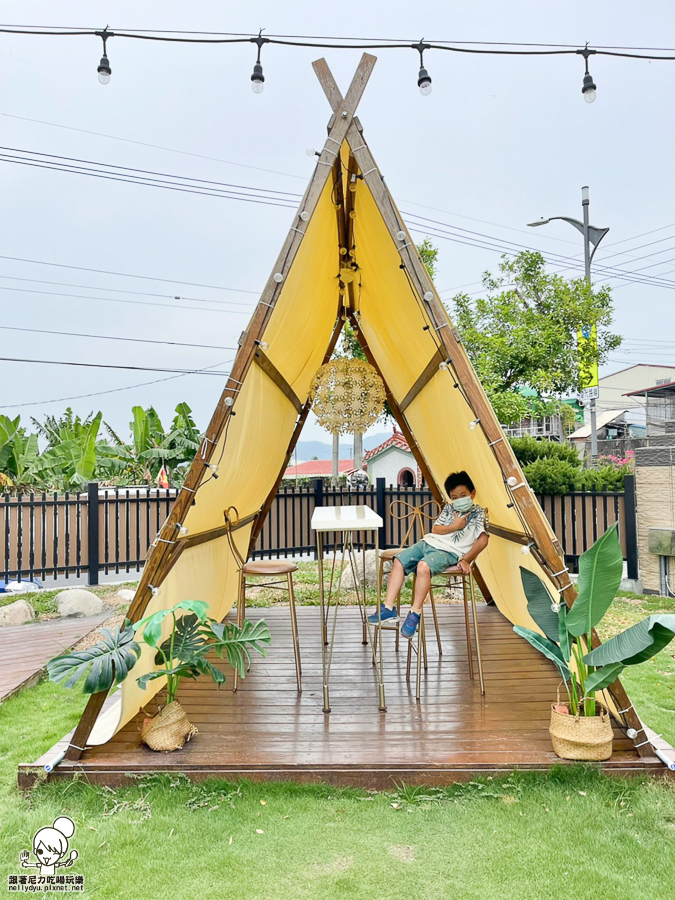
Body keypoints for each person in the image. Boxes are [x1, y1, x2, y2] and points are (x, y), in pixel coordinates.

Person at [368, 471, 488, 638]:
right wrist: (455, 526)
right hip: (428, 542)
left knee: (423, 567)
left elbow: (483, 541)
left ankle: (414, 614)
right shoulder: (449, 508)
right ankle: (388, 608)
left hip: (448, 552)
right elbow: (436, 529)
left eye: (463, 495)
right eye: (454, 497)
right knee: (399, 561)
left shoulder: (478, 514)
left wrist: (466, 560)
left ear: (472, 494)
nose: (458, 500)